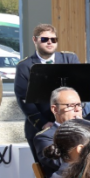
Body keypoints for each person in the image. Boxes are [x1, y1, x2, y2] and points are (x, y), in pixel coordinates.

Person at [14, 23, 79, 151]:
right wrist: (43, 123)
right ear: (35, 40)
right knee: (46, 168)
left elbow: (80, 91)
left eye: (53, 39)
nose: (50, 42)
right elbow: (24, 98)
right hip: (41, 127)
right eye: (44, 39)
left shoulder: (69, 59)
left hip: (70, 125)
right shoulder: (25, 66)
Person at [33, 87, 85, 178]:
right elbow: (61, 164)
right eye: (70, 106)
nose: (77, 109)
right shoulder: (45, 137)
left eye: (79, 105)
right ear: (55, 109)